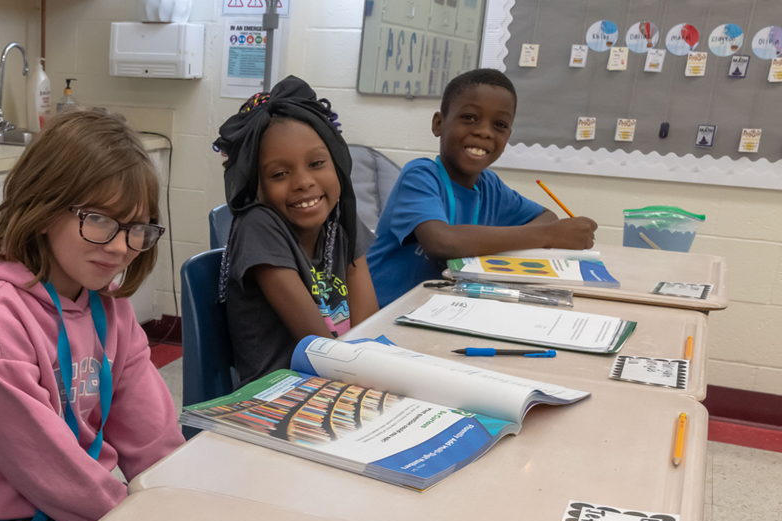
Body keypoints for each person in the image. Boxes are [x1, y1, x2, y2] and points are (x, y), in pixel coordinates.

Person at [0, 109, 184, 521]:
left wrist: (183, 506)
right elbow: (49, 469)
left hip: (78, 507)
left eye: (135, 228)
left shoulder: (110, 309)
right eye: (99, 220)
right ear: (43, 208)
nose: (121, 247)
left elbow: (156, 443)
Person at [367, 68, 598, 306]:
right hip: (382, 312)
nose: (484, 132)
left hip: (441, 309)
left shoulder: (491, 186)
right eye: (469, 117)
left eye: (499, 124)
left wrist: (548, 232)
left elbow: (547, 217)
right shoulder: (420, 176)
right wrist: (549, 236)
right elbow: (440, 242)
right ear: (438, 124)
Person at [214, 75, 379, 384]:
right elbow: (320, 349)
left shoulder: (341, 217)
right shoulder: (257, 228)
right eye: (279, 174)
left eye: (317, 164)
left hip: (339, 379)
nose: (303, 182)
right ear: (256, 186)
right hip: (281, 395)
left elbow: (367, 331)